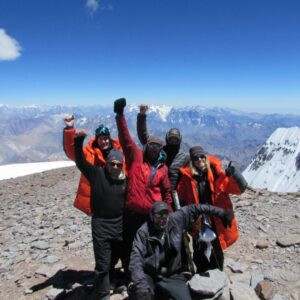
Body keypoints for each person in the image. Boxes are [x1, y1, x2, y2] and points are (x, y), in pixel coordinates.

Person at [129, 201, 233, 300]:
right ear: (151, 216)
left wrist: (221, 212)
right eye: (158, 216)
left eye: (164, 216)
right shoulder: (143, 232)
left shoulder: (176, 220)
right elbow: (135, 260)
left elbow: (197, 208)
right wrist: (140, 284)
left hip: (172, 275)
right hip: (151, 275)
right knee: (141, 294)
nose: (161, 220)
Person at [113, 98, 173, 272]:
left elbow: (166, 191)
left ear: (161, 149)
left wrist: (169, 213)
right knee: (129, 243)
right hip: (131, 213)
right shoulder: (136, 157)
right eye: (152, 145)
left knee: (147, 244)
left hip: (150, 214)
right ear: (147, 146)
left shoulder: (163, 168)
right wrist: (119, 115)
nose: (155, 148)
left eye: (158, 146)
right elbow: (125, 138)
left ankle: (145, 273)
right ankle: (129, 274)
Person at [177, 146, 248, 273]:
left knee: (216, 250)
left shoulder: (216, 174)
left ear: (206, 157)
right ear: (192, 161)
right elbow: (181, 197)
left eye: (202, 156)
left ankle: (217, 277)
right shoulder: (187, 178)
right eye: (195, 158)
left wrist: (235, 175)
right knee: (199, 251)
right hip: (198, 220)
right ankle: (200, 279)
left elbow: (239, 189)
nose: (199, 160)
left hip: (216, 219)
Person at [74, 130, 127, 300]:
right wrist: (78, 142)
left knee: (119, 256)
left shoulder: (126, 180)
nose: (115, 167)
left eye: (118, 164)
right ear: (106, 163)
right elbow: (80, 162)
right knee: (102, 263)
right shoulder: (97, 174)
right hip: (101, 225)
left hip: (120, 225)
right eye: (112, 164)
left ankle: (118, 282)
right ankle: (103, 294)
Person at [63, 115, 123, 215]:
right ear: (96, 140)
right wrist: (70, 129)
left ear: (109, 138)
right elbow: (72, 153)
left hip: (114, 200)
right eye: (101, 139)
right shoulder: (89, 153)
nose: (104, 141)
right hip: (96, 203)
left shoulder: (119, 153)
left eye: (106, 138)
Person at [137, 104, 189, 191]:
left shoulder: (185, 157)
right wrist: (142, 116)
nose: (172, 142)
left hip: (174, 195)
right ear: (167, 139)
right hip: (156, 191)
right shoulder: (160, 151)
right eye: (170, 139)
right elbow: (144, 138)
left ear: (179, 141)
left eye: (175, 140)